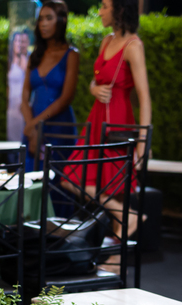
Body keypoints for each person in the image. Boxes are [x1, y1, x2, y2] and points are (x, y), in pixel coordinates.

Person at [63, 0, 149, 241]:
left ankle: (116, 253)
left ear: (119, 9)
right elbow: (97, 78)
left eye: (104, 6)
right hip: (97, 119)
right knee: (71, 178)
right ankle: (126, 217)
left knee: (113, 185)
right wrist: (93, 88)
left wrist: (143, 143)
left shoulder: (134, 46)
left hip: (117, 122)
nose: (99, 12)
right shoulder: (106, 41)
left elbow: (144, 98)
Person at [20, 0, 80, 171]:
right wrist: (31, 127)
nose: (43, 24)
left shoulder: (71, 55)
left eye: (49, 18)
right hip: (32, 126)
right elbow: (24, 97)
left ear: (61, 20)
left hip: (58, 127)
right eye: (40, 19)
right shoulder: (35, 55)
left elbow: (66, 98)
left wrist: (35, 123)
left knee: (56, 177)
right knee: (28, 176)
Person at [7, 31, 30, 144]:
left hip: (24, 105)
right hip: (11, 107)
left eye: (23, 41)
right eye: (17, 41)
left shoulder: (29, 60)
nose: (20, 44)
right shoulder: (9, 60)